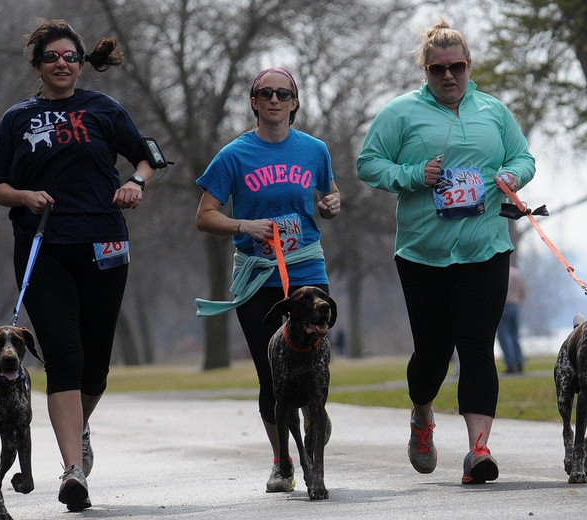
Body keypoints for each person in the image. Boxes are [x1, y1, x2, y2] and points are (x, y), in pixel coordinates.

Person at [356, 19, 535, 485]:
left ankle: (479, 450)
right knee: (433, 353)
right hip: (422, 254)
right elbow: (368, 163)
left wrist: (511, 177)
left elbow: (524, 158)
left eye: (457, 66)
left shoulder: (494, 111)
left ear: (469, 66)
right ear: (426, 70)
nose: (449, 76)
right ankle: (421, 415)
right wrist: (414, 175)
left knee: (477, 347)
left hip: (486, 248)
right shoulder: (400, 113)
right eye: (439, 69)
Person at [0, 19, 157, 512]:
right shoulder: (17, 118)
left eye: (70, 57)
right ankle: (72, 470)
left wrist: (137, 183)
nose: (61, 64)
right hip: (43, 247)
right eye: (52, 57)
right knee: (64, 355)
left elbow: (147, 156)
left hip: (104, 244)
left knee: (96, 365)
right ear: (38, 64)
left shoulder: (104, 109)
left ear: (81, 64)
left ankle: (78, 426)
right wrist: (25, 195)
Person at [194, 67, 340, 492]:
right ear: (254, 101)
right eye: (265, 93)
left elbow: (328, 196)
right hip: (259, 277)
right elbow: (204, 216)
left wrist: (331, 204)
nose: (274, 100)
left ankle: (315, 421)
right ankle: (282, 462)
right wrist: (244, 225)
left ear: (294, 103)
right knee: (270, 373)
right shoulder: (233, 156)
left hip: (307, 270)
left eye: (283, 93)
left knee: (314, 366)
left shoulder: (314, 150)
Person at [497, 264, 526, 374]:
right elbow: (523, 291)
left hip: (504, 306)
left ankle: (510, 364)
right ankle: (519, 362)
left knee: (504, 336)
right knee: (515, 335)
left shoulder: (501, 272)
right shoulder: (517, 273)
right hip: (515, 306)